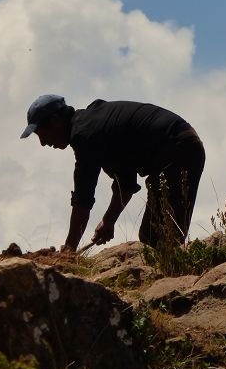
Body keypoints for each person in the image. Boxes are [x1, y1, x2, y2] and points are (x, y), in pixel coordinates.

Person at [21, 94, 205, 252]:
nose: (43, 143)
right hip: (183, 145)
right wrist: (109, 220)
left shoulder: (85, 135)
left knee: (157, 237)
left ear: (55, 122)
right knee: (157, 235)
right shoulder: (94, 124)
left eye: (42, 134)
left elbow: (82, 200)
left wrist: (69, 249)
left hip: (178, 148)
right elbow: (124, 185)